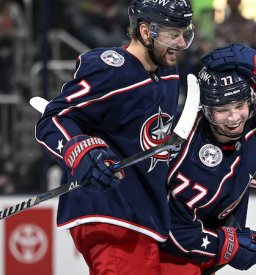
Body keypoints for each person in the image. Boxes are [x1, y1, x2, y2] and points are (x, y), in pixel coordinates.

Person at [34, 0, 194, 274]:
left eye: (185, 33)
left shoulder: (167, 71)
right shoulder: (112, 70)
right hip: (111, 214)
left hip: (146, 214)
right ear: (146, 32)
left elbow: (153, 133)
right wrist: (80, 152)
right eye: (173, 34)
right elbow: (54, 119)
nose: (181, 43)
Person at [159, 67, 256, 273]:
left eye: (240, 105)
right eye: (222, 110)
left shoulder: (255, 122)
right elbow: (173, 230)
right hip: (169, 260)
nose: (234, 118)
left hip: (200, 255)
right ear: (205, 109)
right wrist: (225, 245)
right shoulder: (186, 154)